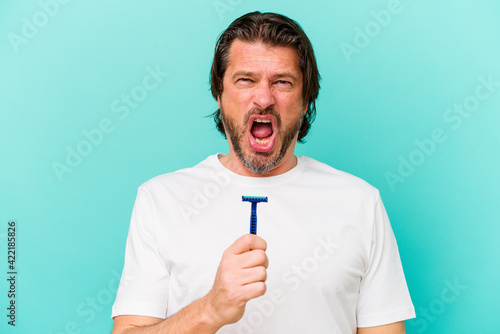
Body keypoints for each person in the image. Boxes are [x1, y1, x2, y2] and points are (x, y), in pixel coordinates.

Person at [111, 11, 415, 334]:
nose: (264, 98)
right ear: (219, 93)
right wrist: (210, 310)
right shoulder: (160, 201)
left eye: (283, 82)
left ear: (306, 98)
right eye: (246, 80)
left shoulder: (361, 204)